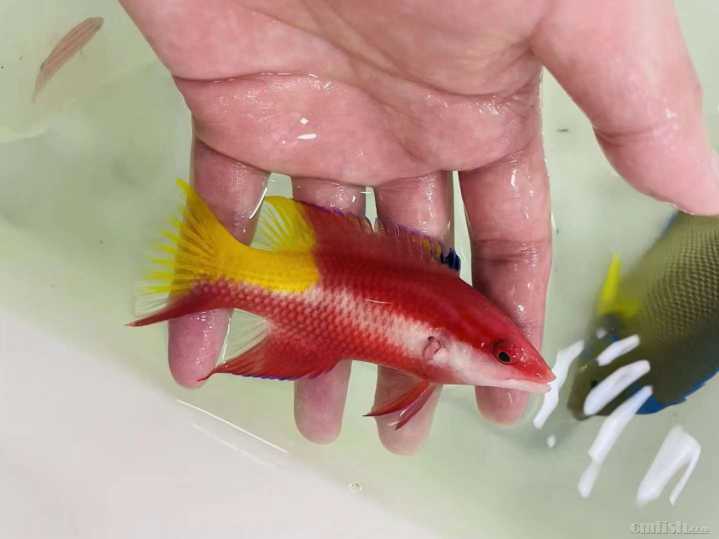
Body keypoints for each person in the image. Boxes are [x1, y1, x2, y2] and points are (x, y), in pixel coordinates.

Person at [118, 0, 719, 455]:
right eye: (502, 354)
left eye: (507, 356)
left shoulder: (438, 348)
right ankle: (221, 267)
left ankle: (219, 269)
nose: (525, 371)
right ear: (438, 348)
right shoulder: (433, 350)